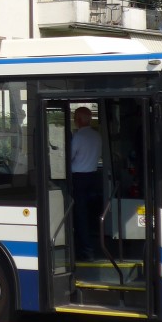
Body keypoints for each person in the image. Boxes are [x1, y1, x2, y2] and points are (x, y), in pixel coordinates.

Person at [70, 106, 102, 261]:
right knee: (89, 215)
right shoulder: (97, 136)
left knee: (80, 215)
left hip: (79, 179)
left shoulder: (78, 137)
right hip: (93, 177)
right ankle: (91, 245)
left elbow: (68, 157)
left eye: (75, 118)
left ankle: (86, 249)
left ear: (79, 120)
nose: (75, 121)